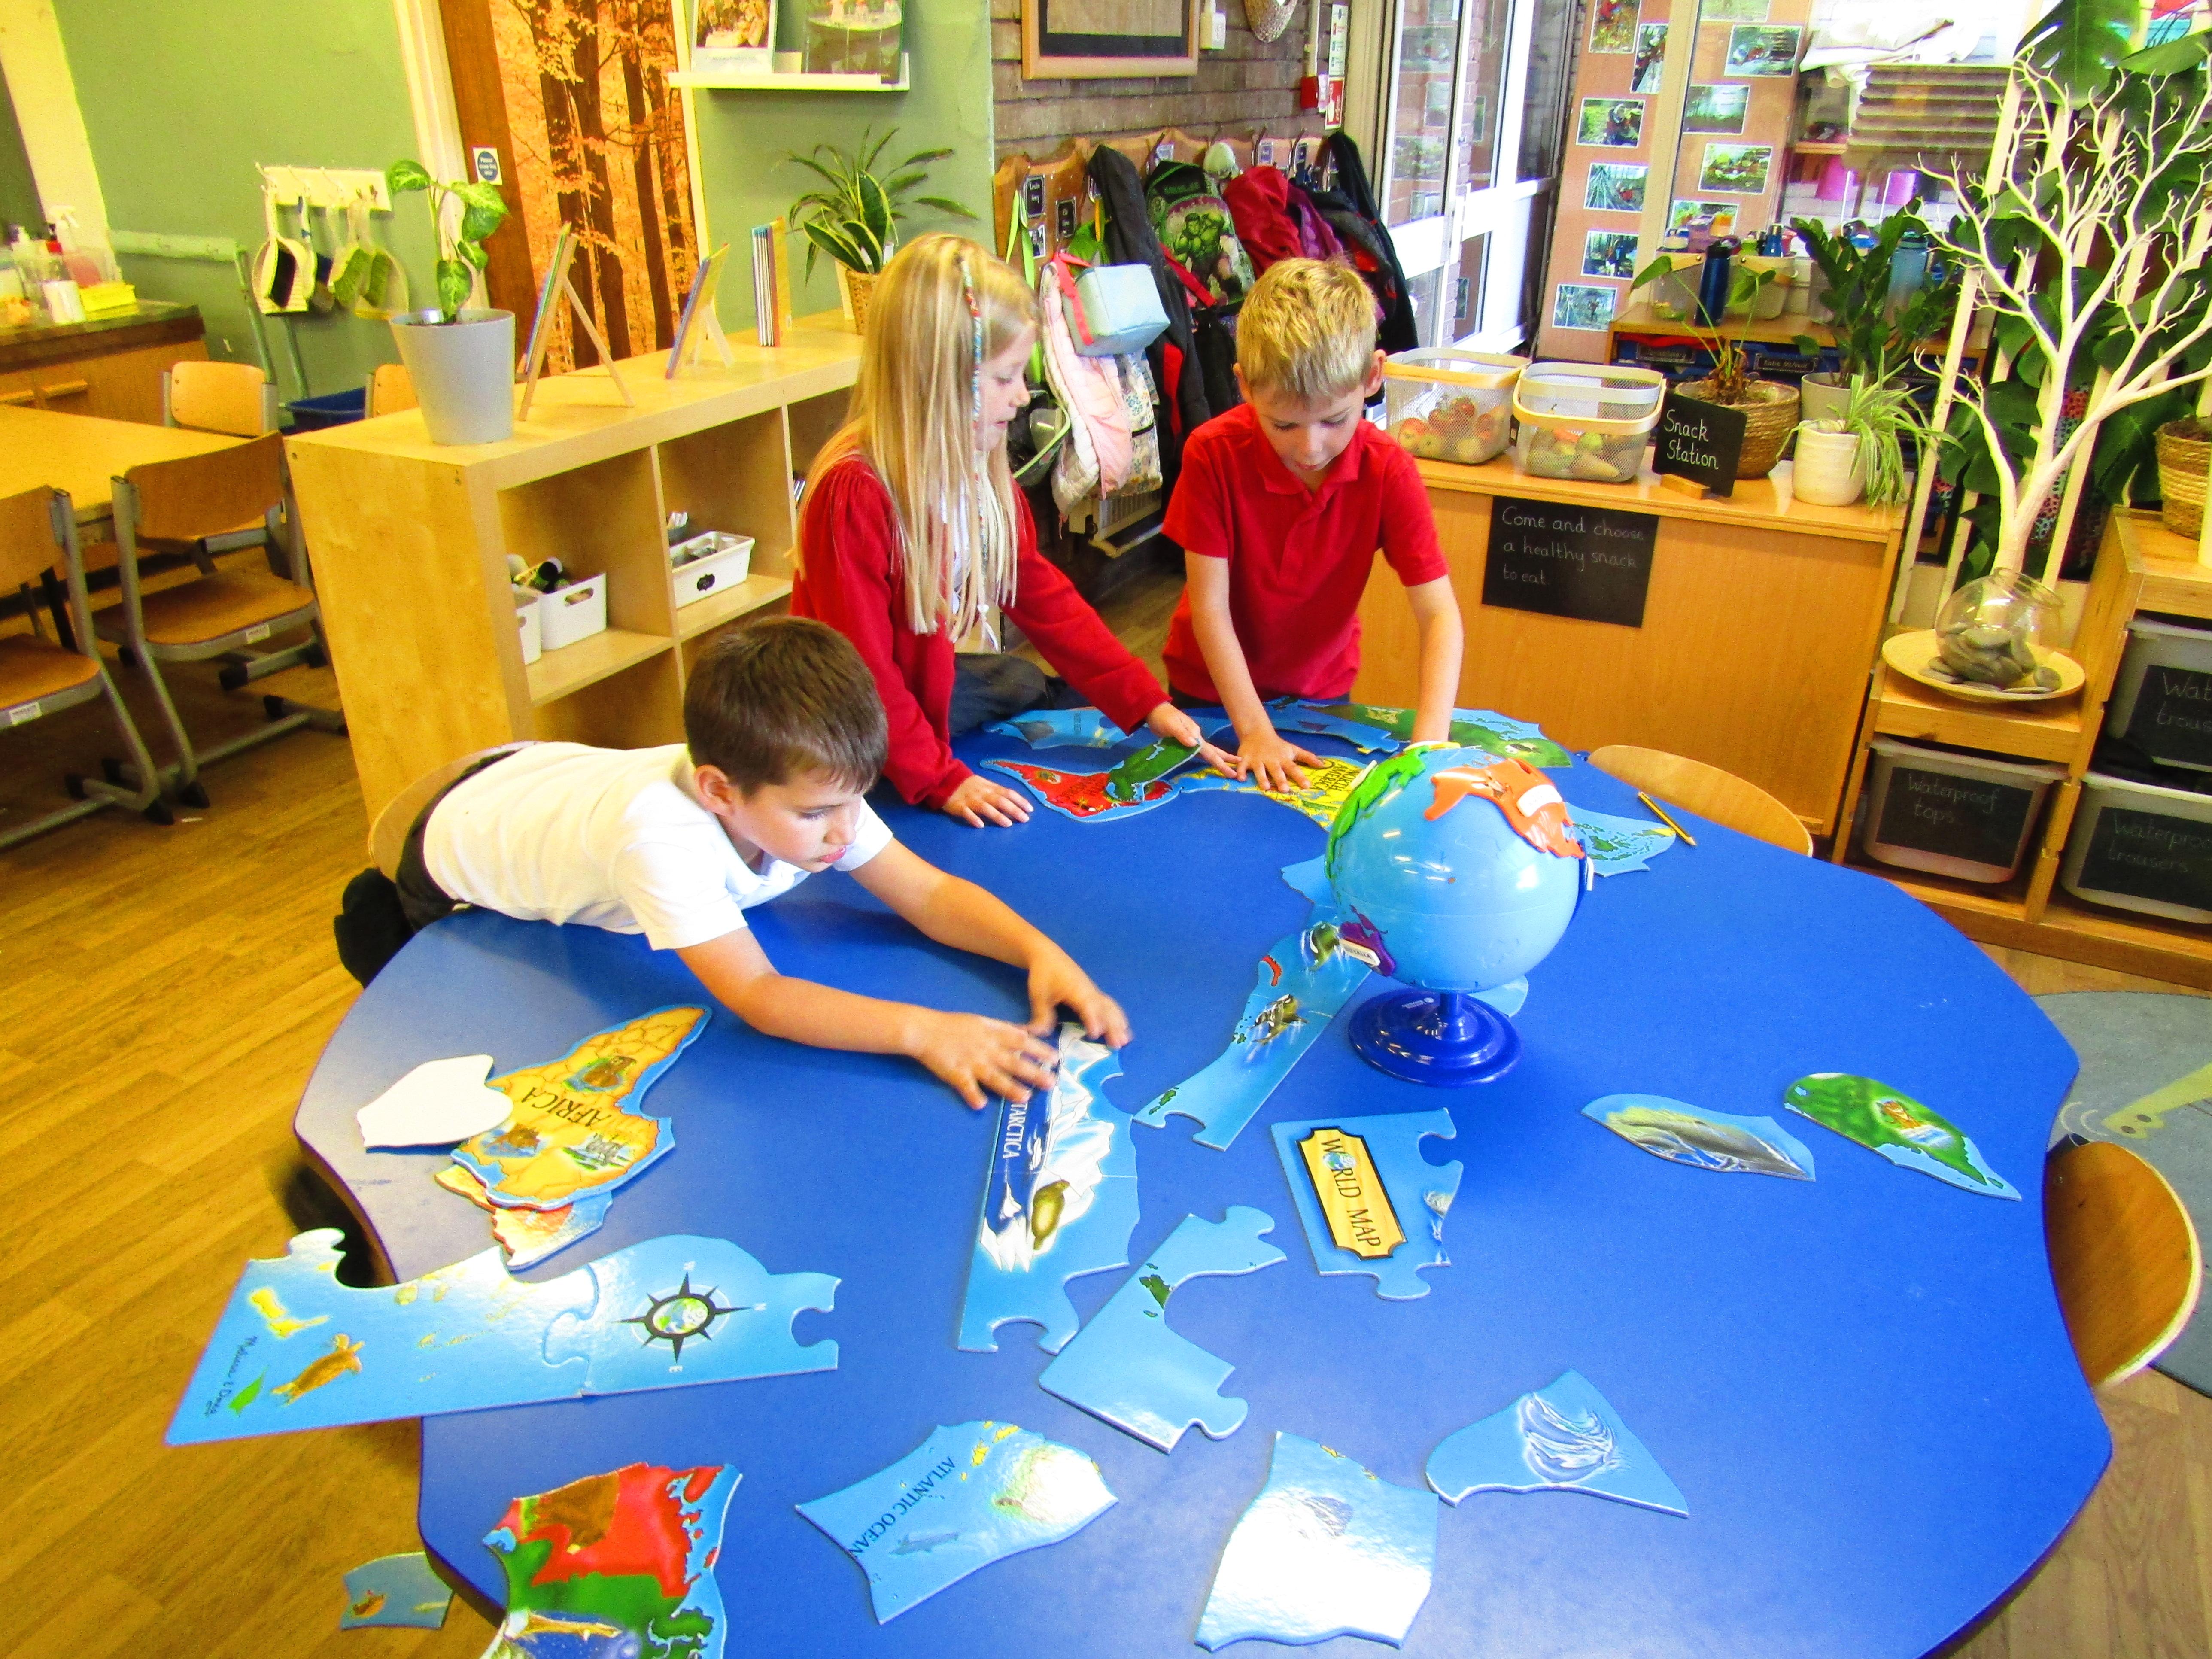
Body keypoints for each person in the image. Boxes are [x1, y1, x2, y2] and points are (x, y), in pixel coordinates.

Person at [372, 617, 1125, 1110]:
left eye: (855, 801)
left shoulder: (816, 790)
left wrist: (1040, 952)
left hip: (542, 774)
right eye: (814, 815)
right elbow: (760, 994)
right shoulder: (658, 838)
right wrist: (927, 1031)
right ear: (719, 793)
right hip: (455, 841)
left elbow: (927, 895)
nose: (845, 831)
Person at [792, 233, 1232, 828]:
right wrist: (942, 779)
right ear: (939, 379)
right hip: (842, 718)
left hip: (918, 685)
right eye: (1005, 378)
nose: (1023, 397)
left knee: (1023, 683)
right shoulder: (856, 493)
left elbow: (1045, 599)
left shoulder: (977, 468)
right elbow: (865, 675)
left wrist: (1145, 701)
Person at [1159, 258, 1465, 791]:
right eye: (1284, 425)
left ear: (1372, 378)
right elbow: (1210, 609)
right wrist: (1255, 731)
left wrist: (1429, 747)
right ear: (1245, 386)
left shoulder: (1388, 470)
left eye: (1335, 419)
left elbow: (1439, 615)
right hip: (1210, 693)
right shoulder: (1212, 453)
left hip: (1319, 694)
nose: (1310, 447)